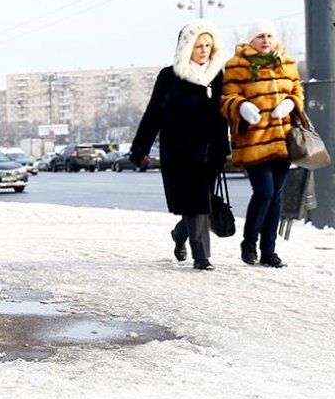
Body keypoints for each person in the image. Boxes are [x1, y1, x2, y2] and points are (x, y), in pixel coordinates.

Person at [130, 19, 230, 271]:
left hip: (209, 152)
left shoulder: (217, 76)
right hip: (179, 151)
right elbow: (154, 113)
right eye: (198, 45)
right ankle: (202, 257)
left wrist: (223, 148)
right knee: (196, 201)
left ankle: (179, 234)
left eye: (208, 45)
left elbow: (222, 116)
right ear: (186, 47)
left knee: (201, 202)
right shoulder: (169, 76)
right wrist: (139, 149)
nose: (204, 50)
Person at [220, 19, 303, 268]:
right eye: (260, 36)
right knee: (264, 192)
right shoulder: (237, 65)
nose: (265, 40)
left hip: (282, 139)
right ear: (250, 40)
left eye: (268, 35)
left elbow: (297, 90)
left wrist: (291, 103)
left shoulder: (286, 62)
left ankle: (269, 251)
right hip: (253, 141)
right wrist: (241, 106)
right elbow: (226, 98)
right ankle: (249, 243)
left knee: (276, 196)